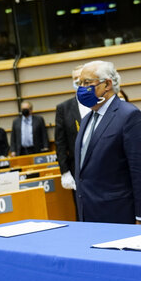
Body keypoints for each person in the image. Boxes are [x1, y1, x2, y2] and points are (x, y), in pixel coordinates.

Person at [74, 60, 141, 224]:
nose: (81, 89)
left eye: (87, 83)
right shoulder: (86, 120)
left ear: (107, 85)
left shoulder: (129, 116)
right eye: (79, 84)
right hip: (90, 217)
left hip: (122, 217)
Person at [55, 66, 89, 200]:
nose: (77, 81)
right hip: (77, 169)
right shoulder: (64, 108)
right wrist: (64, 172)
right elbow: (60, 143)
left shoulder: (99, 102)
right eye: (75, 79)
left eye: (80, 78)